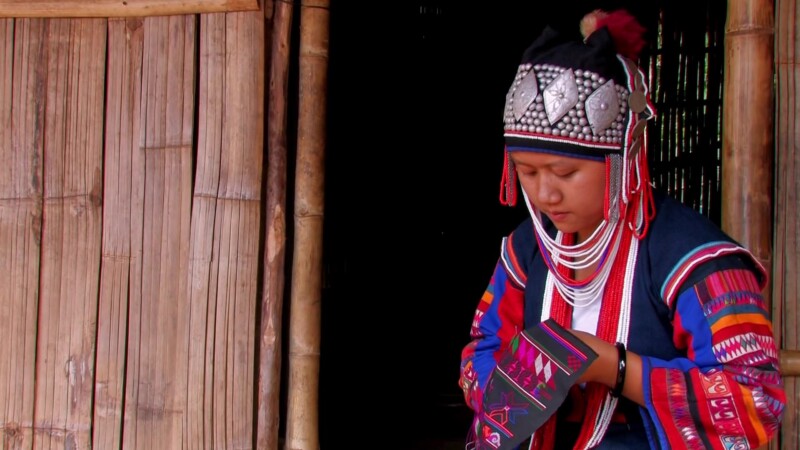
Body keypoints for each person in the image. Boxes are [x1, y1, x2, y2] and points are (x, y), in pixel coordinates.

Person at [458, 8, 786, 450]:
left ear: (622, 161)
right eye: (527, 172)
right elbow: (482, 352)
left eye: (564, 172)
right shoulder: (528, 248)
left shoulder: (695, 259)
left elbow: (753, 402)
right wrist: (520, 388)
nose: (545, 195)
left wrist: (609, 365)